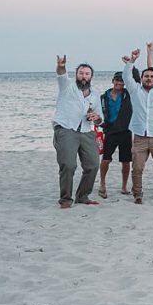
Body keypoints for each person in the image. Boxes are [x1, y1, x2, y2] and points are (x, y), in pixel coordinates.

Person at [121, 43, 153, 205]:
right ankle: (137, 195)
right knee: (137, 168)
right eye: (146, 76)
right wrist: (132, 61)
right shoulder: (135, 90)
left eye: (151, 77)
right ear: (141, 78)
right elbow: (126, 77)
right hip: (140, 136)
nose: (148, 78)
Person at [52, 55, 104, 208]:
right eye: (81, 73)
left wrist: (96, 117)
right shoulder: (67, 85)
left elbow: (101, 119)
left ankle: (82, 196)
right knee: (68, 165)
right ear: (76, 74)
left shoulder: (95, 94)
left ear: (91, 77)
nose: (84, 76)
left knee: (93, 165)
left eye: (87, 74)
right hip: (66, 129)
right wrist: (61, 66)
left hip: (87, 131)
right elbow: (61, 74)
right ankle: (66, 200)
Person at [98, 70, 133, 199]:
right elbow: (98, 113)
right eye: (117, 80)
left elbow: (134, 77)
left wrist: (129, 64)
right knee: (106, 159)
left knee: (125, 161)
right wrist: (99, 123)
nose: (119, 82)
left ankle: (124, 186)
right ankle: (102, 183)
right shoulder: (103, 97)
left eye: (122, 80)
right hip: (110, 131)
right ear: (113, 81)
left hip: (125, 131)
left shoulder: (127, 95)